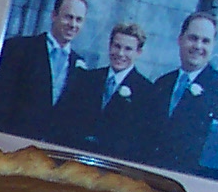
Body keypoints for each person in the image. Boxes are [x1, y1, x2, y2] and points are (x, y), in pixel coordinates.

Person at [140, 12, 218, 178]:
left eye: (205, 41)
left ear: (213, 46)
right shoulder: (163, 83)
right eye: (193, 38)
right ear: (180, 39)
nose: (198, 46)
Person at [0, 0, 86, 141]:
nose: (73, 25)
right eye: (68, 17)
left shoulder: (80, 64)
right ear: (54, 16)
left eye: (79, 20)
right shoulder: (19, 48)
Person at [59, 22, 152, 158]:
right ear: (110, 46)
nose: (120, 53)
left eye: (128, 49)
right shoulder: (87, 79)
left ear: (138, 52)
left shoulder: (146, 91)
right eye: (117, 46)